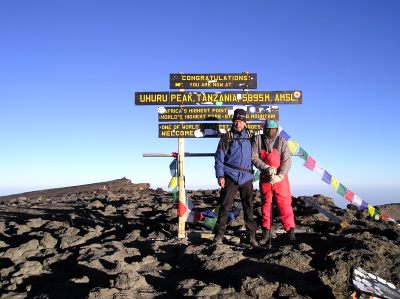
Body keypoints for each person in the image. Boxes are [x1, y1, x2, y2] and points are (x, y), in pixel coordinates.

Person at [213, 108, 258, 246]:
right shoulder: (227, 137)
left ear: (245, 122)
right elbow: (219, 158)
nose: (237, 123)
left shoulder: (252, 136)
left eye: (240, 121)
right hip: (230, 176)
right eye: (235, 121)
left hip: (247, 176)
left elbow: (259, 154)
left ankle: (252, 237)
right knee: (225, 207)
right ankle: (219, 236)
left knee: (248, 207)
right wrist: (220, 175)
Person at [251, 119, 296, 244]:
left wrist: (280, 175)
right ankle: (266, 234)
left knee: (285, 205)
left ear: (277, 130)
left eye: (272, 129)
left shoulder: (281, 141)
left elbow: (287, 161)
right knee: (266, 206)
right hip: (265, 178)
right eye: (267, 129)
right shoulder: (257, 140)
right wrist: (265, 167)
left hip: (281, 180)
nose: (269, 131)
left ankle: (290, 233)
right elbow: (253, 157)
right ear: (264, 129)